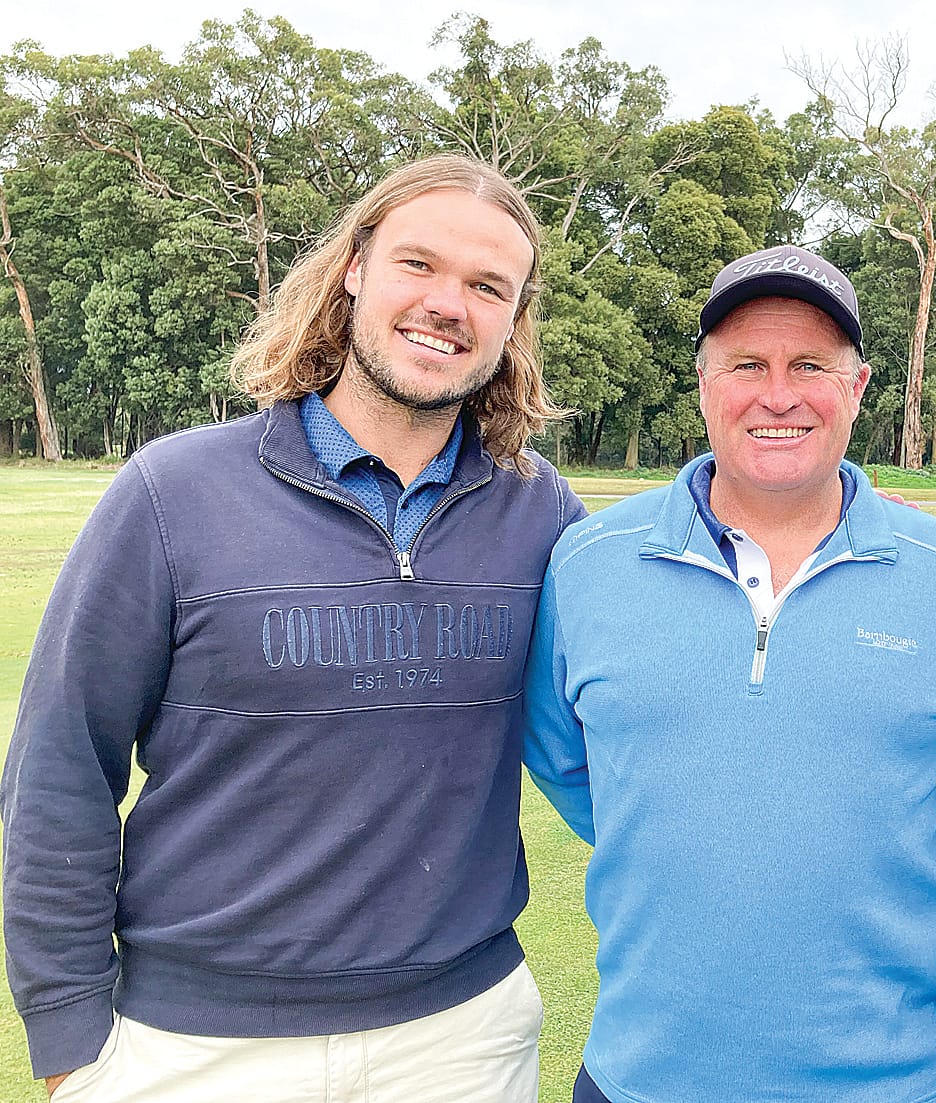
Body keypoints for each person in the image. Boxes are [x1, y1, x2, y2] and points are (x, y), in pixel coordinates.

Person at [1, 154, 585, 1102]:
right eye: (418, 264)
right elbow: (60, 767)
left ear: (513, 321)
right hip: (193, 1048)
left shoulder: (541, 511)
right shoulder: (171, 492)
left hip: (460, 1041)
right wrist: (69, 1038)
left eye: (489, 286)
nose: (448, 304)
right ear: (353, 268)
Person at [523, 243, 936, 1103]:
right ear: (703, 383)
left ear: (858, 387)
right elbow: (571, 766)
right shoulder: (587, 562)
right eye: (747, 364)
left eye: (810, 364)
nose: (778, 394)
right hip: (642, 1078)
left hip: (887, 1086)